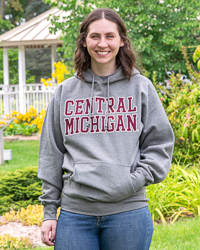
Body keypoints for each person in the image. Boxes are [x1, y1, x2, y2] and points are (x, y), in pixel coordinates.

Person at [38, 8, 174, 250]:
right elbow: (51, 153)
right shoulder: (65, 92)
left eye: (110, 36)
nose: (103, 44)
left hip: (128, 212)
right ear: (84, 41)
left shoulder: (141, 88)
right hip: (75, 215)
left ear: (122, 41)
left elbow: (160, 144)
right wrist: (50, 212)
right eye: (95, 36)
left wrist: (134, 180)